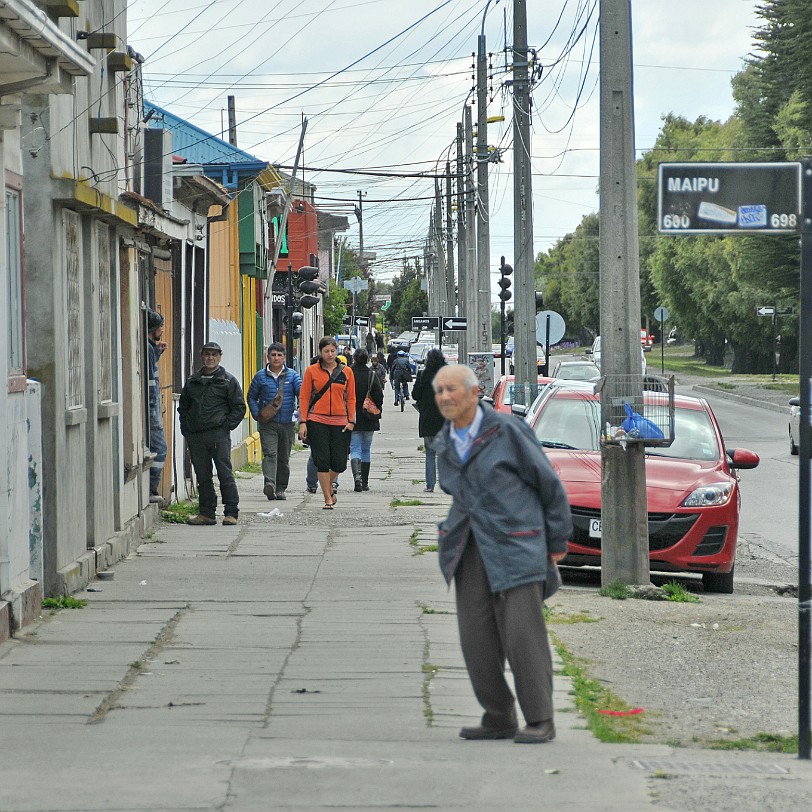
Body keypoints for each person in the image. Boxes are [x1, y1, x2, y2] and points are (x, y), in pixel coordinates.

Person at [432, 364, 572, 744]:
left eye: (452, 390)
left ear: (475, 392)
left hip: (516, 543)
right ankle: (498, 715)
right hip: (470, 546)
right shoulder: (445, 440)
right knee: (475, 638)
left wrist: (557, 542)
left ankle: (540, 718)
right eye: (439, 391)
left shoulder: (507, 430)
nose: (445, 397)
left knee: (522, 637)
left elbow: (549, 485)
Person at [178, 342, 246, 526]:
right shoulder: (192, 381)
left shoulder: (227, 381)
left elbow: (239, 408)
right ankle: (207, 513)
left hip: (218, 435)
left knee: (225, 473)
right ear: (202, 356)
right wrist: (187, 429)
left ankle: (231, 512)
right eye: (207, 354)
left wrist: (225, 426)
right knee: (202, 475)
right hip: (196, 436)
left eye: (214, 355)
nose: (210, 358)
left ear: (220, 357)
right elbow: (183, 407)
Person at [299, 337, 356, 509]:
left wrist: (351, 420)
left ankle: (327, 485)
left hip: (340, 421)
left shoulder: (346, 372)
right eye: (326, 351)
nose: (330, 354)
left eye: (332, 351)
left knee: (339, 462)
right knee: (321, 460)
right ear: (320, 352)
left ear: (337, 351)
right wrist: (303, 422)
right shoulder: (311, 371)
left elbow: (351, 397)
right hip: (317, 420)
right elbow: (304, 397)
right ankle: (327, 498)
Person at [247, 342, 302, 501]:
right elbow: (251, 396)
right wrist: (257, 413)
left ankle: (281, 488)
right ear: (268, 357)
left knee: (283, 457)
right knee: (270, 454)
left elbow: (302, 394)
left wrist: (299, 413)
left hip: (287, 424)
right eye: (273, 355)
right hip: (267, 424)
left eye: (279, 355)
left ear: (284, 357)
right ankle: (269, 484)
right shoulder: (260, 376)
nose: (276, 358)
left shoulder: (292, 376)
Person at [411, 348, 446, 493]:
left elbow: (415, 395)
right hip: (445, 419)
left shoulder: (422, 375)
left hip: (428, 418)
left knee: (430, 453)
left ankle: (430, 485)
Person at [349, 348, 384, 491]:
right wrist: (377, 408)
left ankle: (356, 478)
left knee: (354, 448)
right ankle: (365, 481)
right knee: (366, 449)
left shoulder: (348, 374)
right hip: (369, 417)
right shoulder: (371, 375)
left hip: (352, 417)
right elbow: (379, 396)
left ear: (354, 359)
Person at [146, 308, 168, 506]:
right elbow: (150, 382)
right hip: (151, 407)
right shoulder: (147, 349)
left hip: (151, 406)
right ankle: (151, 488)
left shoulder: (150, 349)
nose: (162, 330)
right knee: (160, 448)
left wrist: (157, 353)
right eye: (161, 326)